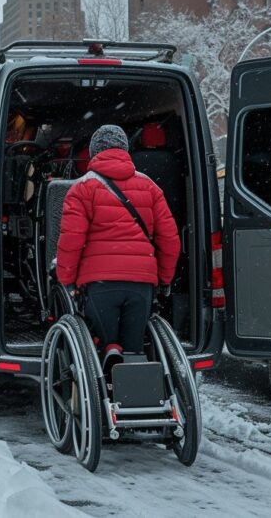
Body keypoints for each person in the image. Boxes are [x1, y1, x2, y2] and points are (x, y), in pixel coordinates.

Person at [55, 125, 180, 366]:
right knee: (134, 350)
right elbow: (170, 240)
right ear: (125, 150)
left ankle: (109, 354)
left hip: (99, 284)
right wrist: (164, 279)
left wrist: (67, 279)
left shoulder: (81, 189)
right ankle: (135, 376)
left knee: (103, 345)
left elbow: (71, 241)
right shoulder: (150, 187)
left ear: (93, 152)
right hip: (142, 285)